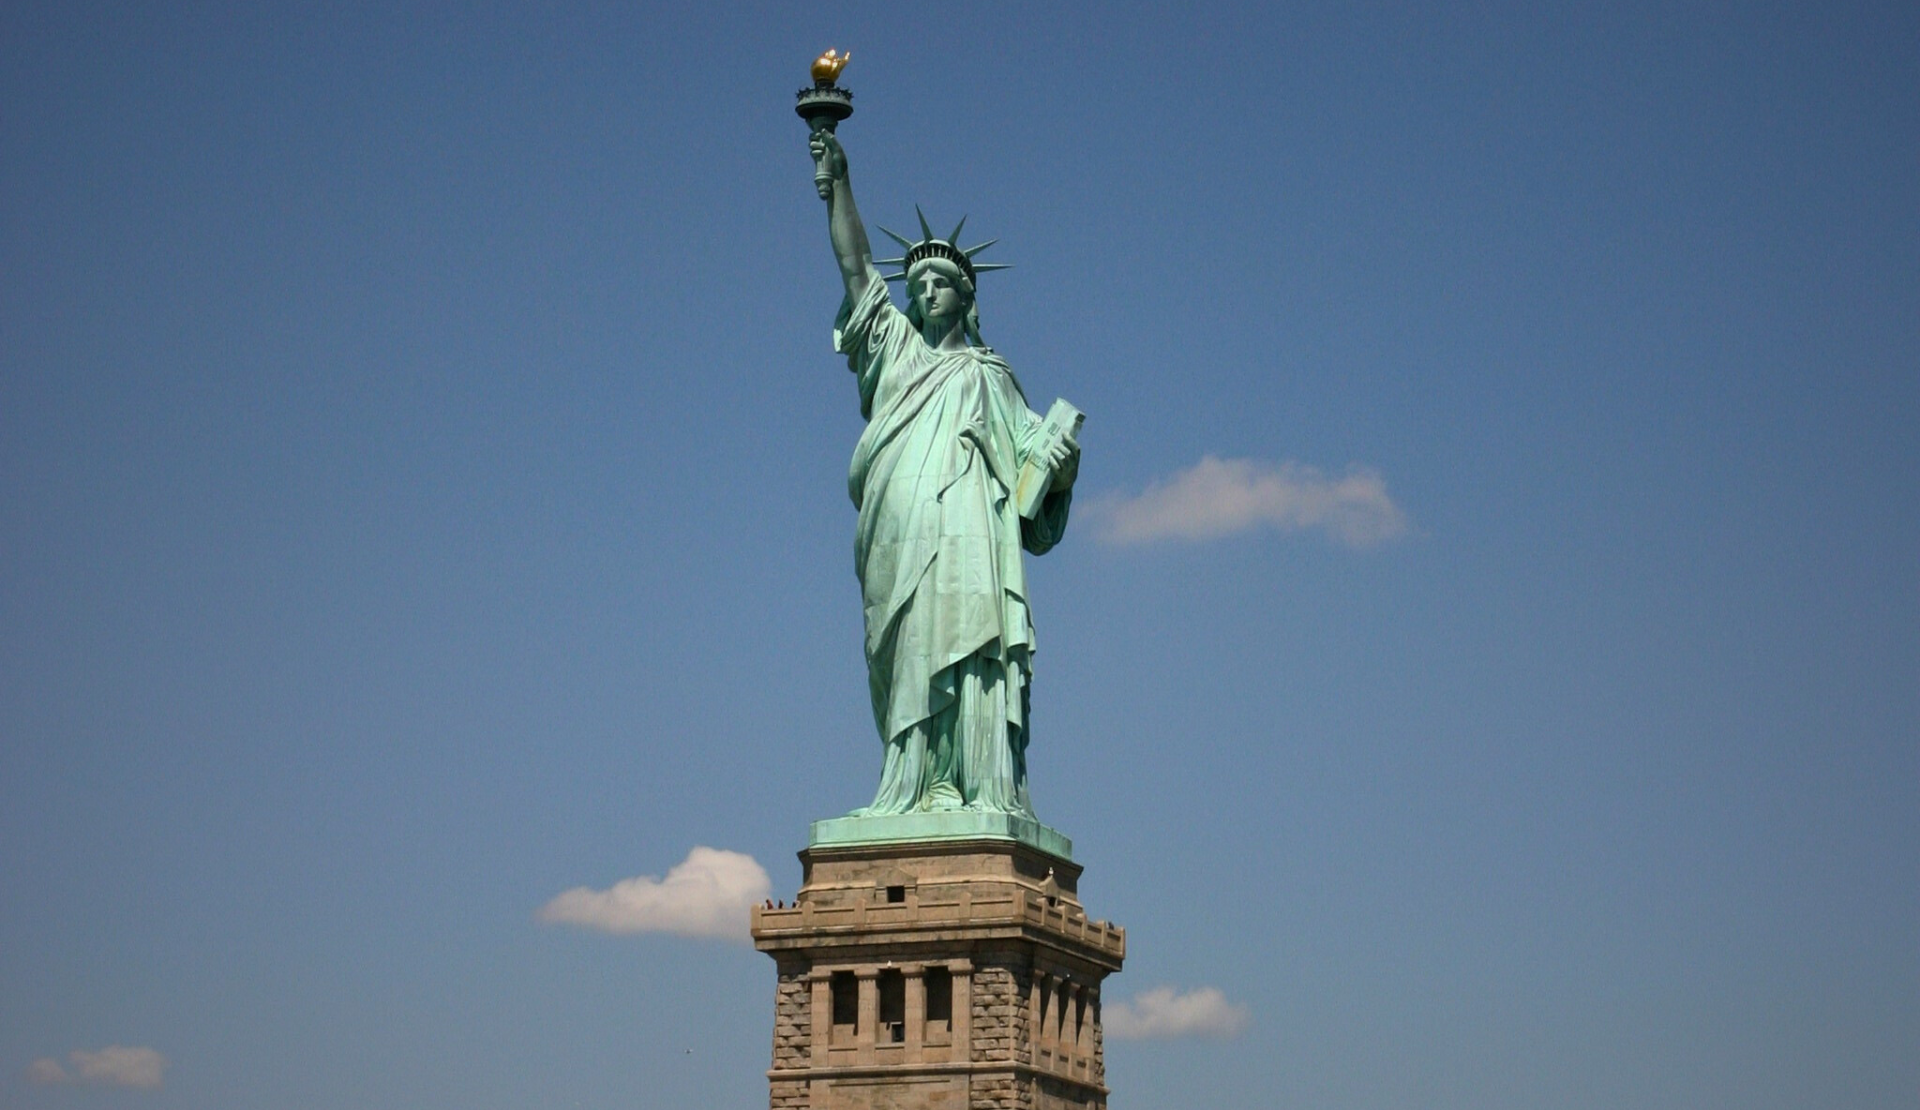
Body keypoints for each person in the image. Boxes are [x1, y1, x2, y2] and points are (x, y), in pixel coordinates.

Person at [808, 128, 1079, 817]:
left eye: (941, 284)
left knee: (971, 650)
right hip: (897, 532)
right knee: (907, 649)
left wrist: (1060, 464)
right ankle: (914, 784)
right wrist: (838, 180)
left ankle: (974, 785)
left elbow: (1032, 482)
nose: (926, 293)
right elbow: (857, 268)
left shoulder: (991, 377)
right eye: (919, 284)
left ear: (965, 297)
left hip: (969, 537)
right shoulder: (895, 352)